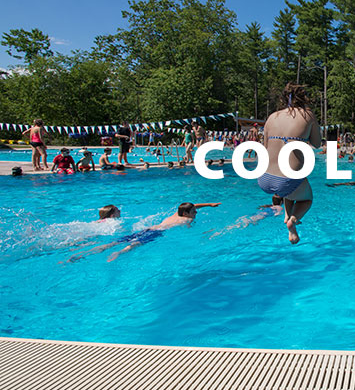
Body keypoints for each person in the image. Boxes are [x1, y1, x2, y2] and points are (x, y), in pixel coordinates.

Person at [257, 83, 322, 244]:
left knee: (289, 190)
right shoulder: (307, 115)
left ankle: (286, 215)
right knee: (306, 199)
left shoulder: (272, 117)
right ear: (303, 98)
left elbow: (265, 147)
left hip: (264, 177)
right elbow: (317, 143)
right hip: (289, 178)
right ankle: (292, 219)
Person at [68, 202, 221, 262]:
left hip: (148, 229)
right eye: (194, 212)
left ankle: (82, 254)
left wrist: (209, 205)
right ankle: (118, 254)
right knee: (133, 246)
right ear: (187, 214)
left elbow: (193, 204)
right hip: (156, 233)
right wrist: (208, 233)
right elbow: (191, 233)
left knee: (114, 242)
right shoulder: (187, 221)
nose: (196, 213)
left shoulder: (177, 214)